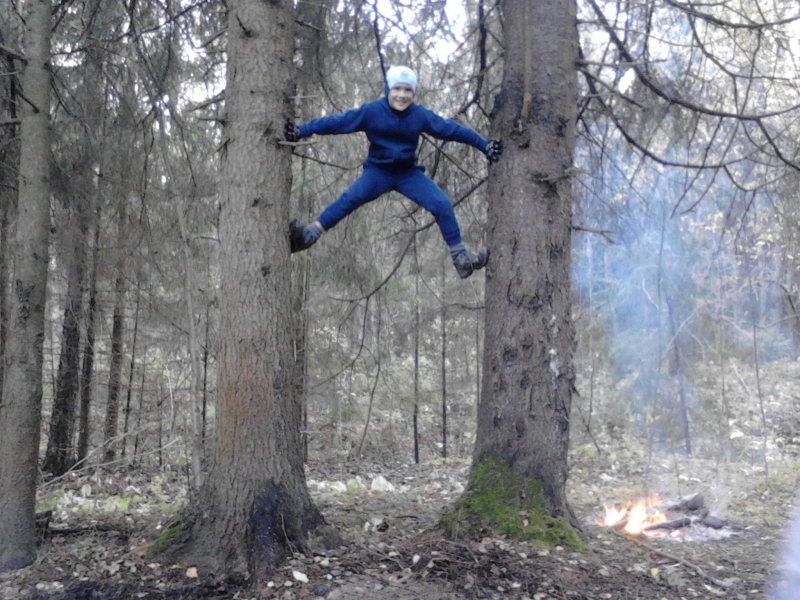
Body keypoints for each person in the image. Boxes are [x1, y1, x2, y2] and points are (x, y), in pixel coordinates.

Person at [285, 65, 503, 279]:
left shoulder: (419, 115)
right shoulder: (372, 111)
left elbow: (452, 130)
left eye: (408, 90)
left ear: (413, 93)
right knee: (349, 199)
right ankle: (309, 235)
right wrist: (301, 131)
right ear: (388, 89)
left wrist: (484, 145)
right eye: (397, 88)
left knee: (441, 204)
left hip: (408, 173)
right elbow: (336, 123)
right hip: (378, 172)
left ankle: (460, 259)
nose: (402, 95)